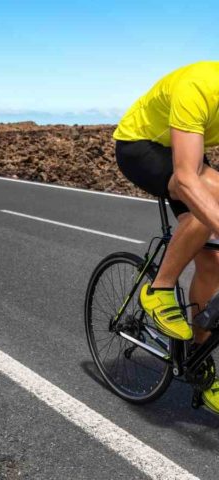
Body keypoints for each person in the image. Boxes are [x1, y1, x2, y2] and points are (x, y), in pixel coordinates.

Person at [113, 61, 219, 414]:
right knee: (201, 206)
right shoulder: (199, 86)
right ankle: (158, 289)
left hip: (183, 145)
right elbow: (186, 180)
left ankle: (198, 362)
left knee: (212, 263)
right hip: (139, 145)